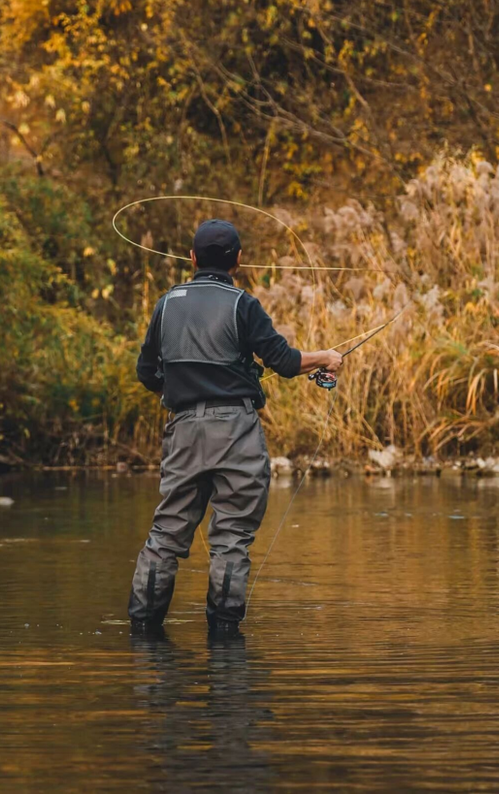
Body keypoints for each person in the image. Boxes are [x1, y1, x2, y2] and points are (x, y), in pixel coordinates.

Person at [129, 218, 343, 635]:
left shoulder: (166, 304)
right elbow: (283, 362)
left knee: (167, 533)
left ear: (191, 258)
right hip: (236, 432)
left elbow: (146, 372)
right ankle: (224, 635)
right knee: (231, 536)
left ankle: (142, 630)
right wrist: (326, 358)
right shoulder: (242, 304)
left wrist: (180, 395)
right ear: (238, 261)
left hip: (184, 428)